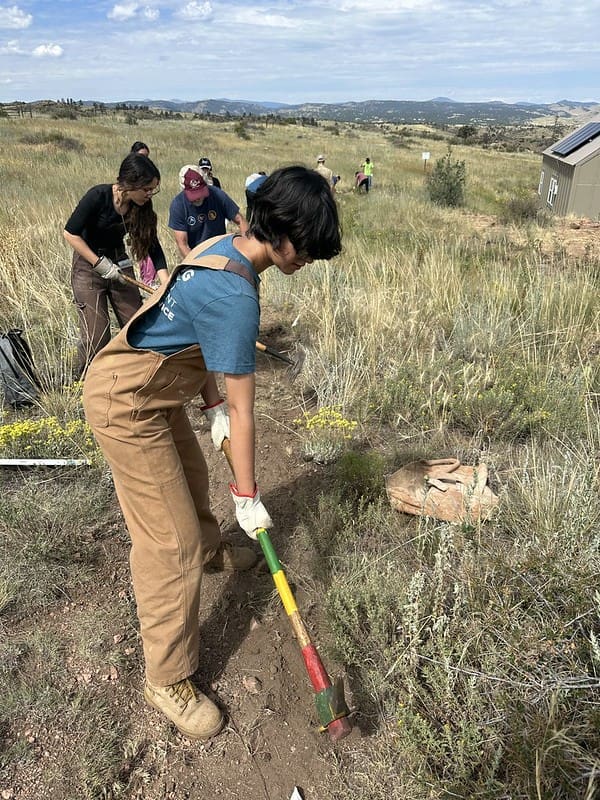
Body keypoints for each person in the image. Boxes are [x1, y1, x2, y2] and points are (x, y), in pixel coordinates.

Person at [82, 165, 342, 741]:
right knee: (167, 541)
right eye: (307, 248)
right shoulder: (236, 295)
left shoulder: (223, 248)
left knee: (193, 475)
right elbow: (247, 413)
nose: (308, 260)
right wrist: (247, 495)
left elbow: (195, 336)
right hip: (126, 403)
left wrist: (210, 404)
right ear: (283, 231)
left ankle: (209, 551)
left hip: (151, 391)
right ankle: (166, 677)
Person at [64, 153, 169, 378]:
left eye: (153, 190)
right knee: (97, 335)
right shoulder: (98, 196)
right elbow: (70, 233)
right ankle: (87, 381)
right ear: (130, 183)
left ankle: (136, 376)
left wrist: (165, 282)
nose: (150, 194)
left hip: (119, 262)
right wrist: (99, 264)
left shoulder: (141, 207)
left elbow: (152, 245)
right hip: (88, 264)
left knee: (136, 325)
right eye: (146, 189)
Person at [168, 165, 247, 259]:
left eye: (200, 192)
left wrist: (245, 250)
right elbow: (182, 244)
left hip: (221, 251)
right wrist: (195, 263)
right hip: (195, 254)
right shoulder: (178, 205)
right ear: (184, 189)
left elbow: (240, 220)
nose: (197, 198)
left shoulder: (217, 195)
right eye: (193, 195)